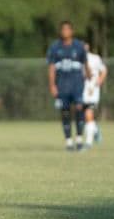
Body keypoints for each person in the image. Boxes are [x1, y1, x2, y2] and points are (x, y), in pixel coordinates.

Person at [46, 21, 90, 151]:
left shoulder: (79, 46)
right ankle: (69, 142)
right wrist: (52, 85)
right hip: (62, 86)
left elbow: (85, 64)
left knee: (79, 108)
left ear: (72, 31)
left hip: (77, 85)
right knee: (65, 112)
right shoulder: (55, 47)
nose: (65, 32)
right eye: (62, 29)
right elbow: (51, 68)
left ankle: (79, 139)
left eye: (67, 29)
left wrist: (89, 77)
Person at [81, 42, 107, 148]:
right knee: (85, 117)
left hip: (92, 90)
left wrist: (98, 83)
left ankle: (88, 142)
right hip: (81, 91)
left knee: (88, 113)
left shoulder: (95, 58)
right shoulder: (77, 59)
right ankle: (95, 130)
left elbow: (104, 70)